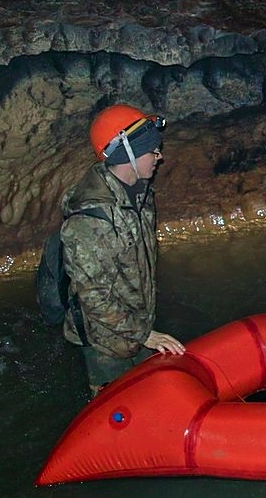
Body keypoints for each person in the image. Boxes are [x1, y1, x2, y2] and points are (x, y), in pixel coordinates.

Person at [60, 104, 185, 398]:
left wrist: (144, 330)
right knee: (115, 413)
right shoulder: (90, 220)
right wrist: (146, 335)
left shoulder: (141, 193)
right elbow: (94, 297)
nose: (160, 157)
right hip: (105, 343)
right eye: (152, 151)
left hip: (138, 327)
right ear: (127, 155)